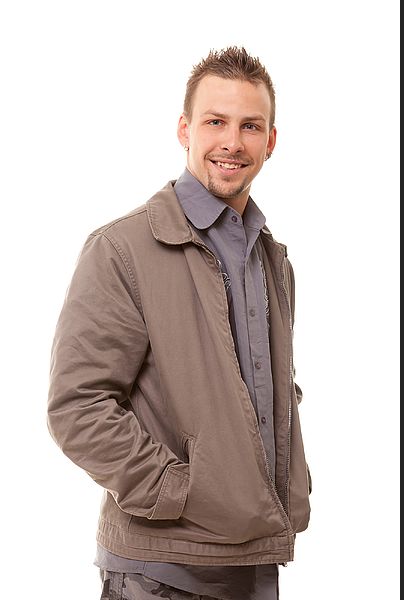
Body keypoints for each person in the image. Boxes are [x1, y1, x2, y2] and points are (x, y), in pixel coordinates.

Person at [47, 46, 311, 600]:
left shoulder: (272, 259)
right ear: (184, 129)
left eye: (250, 125)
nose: (232, 142)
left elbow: (268, 392)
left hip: (254, 564)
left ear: (272, 141)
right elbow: (78, 406)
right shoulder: (122, 249)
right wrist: (177, 490)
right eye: (215, 122)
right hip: (159, 574)